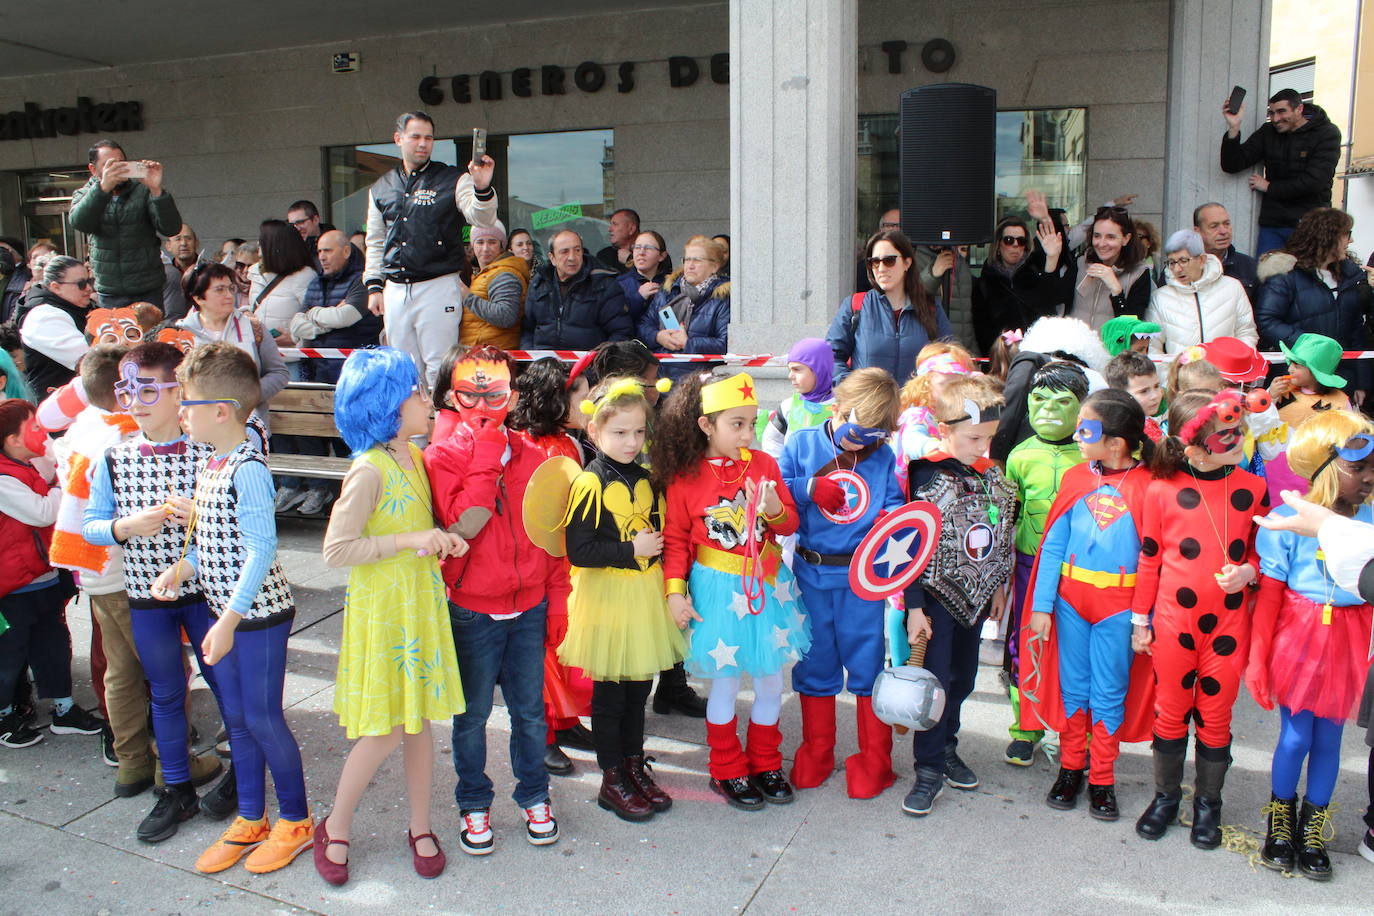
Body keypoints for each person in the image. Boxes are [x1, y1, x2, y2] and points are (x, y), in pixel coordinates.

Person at [152, 342, 313, 875]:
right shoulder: (212, 462)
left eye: (189, 401)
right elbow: (216, 541)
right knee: (238, 721)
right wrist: (184, 568)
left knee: (264, 720)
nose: (181, 412)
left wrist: (226, 619)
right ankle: (251, 817)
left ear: (221, 409)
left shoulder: (247, 468)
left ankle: (295, 820)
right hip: (232, 614)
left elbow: (261, 548)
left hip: (257, 618)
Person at [315, 348, 467, 885]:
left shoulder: (414, 458)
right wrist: (410, 539)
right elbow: (336, 550)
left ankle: (420, 825)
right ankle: (335, 825)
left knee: (420, 722)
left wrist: (439, 541)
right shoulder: (369, 468)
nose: (428, 402)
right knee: (382, 731)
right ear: (387, 404)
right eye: (417, 393)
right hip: (385, 613)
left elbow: (419, 530)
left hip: (418, 606)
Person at [424, 346, 569, 855]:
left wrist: (559, 602)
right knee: (472, 715)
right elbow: (464, 525)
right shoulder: (440, 458)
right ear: (451, 397)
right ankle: (474, 802)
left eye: (497, 392)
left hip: (528, 608)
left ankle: (534, 794)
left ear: (513, 395)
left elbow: (551, 538)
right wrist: (484, 456)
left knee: (531, 714)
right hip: (473, 611)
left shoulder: (536, 455)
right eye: (471, 392)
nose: (484, 402)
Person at [81, 343, 229, 842]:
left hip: (205, 593)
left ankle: (242, 778)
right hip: (147, 599)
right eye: (127, 389)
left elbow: (244, 519)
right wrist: (125, 525)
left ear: (178, 393)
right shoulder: (114, 457)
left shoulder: (208, 451)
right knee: (164, 693)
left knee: (226, 684)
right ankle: (177, 790)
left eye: (148, 389)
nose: (135, 400)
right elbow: (92, 526)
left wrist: (204, 515)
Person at [652, 372, 810, 810]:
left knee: (768, 681)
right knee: (723, 686)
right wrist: (674, 593)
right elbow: (679, 541)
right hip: (718, 592)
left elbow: (789, 525)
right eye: (735, 424)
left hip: (767, 588)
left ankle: (765, 762)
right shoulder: (685, 478)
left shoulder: (763, 465)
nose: (747, 433)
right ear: (706, 425)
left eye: (752, 423)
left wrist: (776, 509)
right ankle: (726, 768)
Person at [1132, 389, 1269, 848]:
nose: (1234, 443)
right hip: (1173, 623)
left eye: (1237, 434)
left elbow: (1263, 553)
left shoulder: (1253, 489)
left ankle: (1208, 804)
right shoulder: (1161, 489)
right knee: (1170, 711)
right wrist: (1139, 621)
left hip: (1227, 627)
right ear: (1190, 447)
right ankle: (1166, 797)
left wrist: (1249, 570)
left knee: (1216, 714)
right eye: (1222, 438)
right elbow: (1149, 559)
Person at [1020, 389, 1156, 821]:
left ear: (1115, 442)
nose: (1077, 435)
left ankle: (1102, 778)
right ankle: (1070, 767)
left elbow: (1154, 558)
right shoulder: (1077, 478)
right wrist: (1042, 605)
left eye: (1086, 429)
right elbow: (1053, 544)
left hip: (1120, 606)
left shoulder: (1149, 485)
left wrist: (1142, 618)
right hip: (1070, 602)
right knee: (1073, 687)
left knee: (1110, 691)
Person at [1248, 411, 1374, 880]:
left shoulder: (1371, 521)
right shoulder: (1285, 520)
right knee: (1296, 735)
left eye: (1371, 470)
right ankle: (1280, 823)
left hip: (1350, 633)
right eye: (1357, 468)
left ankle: (1312, 827)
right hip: (1299, 632)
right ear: (1323, 467)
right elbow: (1270, 596)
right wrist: (1257, 660)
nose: (1368, 479)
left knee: (1330, 738)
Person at [557, 376, 688, 820]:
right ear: (594, 431)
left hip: (644, 597)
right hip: (608, 599)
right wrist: (632, 549)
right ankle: (612, 777)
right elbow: (579, 550)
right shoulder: (590, 482)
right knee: (611, 694)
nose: (631, 442)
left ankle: (634, 764)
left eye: (638, 432)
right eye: (620, 433)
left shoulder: (649, 478)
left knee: (638, 691)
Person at [781, 368, 904, 799]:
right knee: (815, 661)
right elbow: (774, 492)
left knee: (867, 663)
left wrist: (891, 520)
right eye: (857, 431)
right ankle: (816, 751)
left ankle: (874, 759)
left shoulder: (882, 456)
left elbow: (894, 508)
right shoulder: (802, 443)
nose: (862, 443)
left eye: (874, 436)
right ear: (837, 407)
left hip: (862, 580)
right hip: (812, 575)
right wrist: (809, 487)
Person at [899, 374, 1016, 817]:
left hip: (977, 597)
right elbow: (908, 545)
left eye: (988, 438)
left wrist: (1000, 584)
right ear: (944, 428)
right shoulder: (924, 474)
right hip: (932, 601)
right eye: (972, 438)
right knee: (935, 685)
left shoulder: (989, 474)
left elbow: (998, 533)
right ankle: (927, 770)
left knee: (964, 678)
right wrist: (913, 608)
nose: (981, 448)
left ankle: (947, 747)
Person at [48, 345, 145, 779]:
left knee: (119, 669)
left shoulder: (85, 425)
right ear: (123, 388)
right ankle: (169, 762)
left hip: (90, 568)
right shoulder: (121, 439)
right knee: (158, 669)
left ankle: (131, 761)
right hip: (122, 567)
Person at [505, 356, 595, 775]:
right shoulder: (528, 445)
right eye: (582, 393)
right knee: (537, 651)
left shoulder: (567, 442)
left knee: (558, 644)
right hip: (535, 566)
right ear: (557, 399)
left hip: (560, 563)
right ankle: (539, 735)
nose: (591, 399)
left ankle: (564, 721)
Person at [363, 111, 498, 387]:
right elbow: (375, 240)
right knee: (404, 370)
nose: (423, 143)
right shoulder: (381, 186)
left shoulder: (453, 178)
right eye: (415, 137)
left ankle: (444, 431)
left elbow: (482, 219)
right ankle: (414, 432)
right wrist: (374, 286)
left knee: (440, 368)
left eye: (429, 137)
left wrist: (482, 186)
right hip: (396, 288)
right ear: (398, 139)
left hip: (437, 284)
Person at [1003, 362, 1089, 766]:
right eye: (1038, 400)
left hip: (1079, 570)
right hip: (1027, 565)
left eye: (1062, 402)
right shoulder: (1019, 455)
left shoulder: (1091, 456)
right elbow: (1007, 512)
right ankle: (1026, 727)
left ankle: (1072, 730)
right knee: (1025, 646)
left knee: (1074, 648)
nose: (1048, 411)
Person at [0, 398, 99, 750]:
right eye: (35, 428)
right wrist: (68, 486)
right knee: (9, 655)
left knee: (54, 646)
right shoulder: (2, 477)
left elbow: (50, 464)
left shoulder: (26, 462)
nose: (43, 434)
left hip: (43, 577)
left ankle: (64, 708)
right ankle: (5, 716)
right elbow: (42, 512)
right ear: (12, 440)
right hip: (13, 588)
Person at [1256, 208, 1374, 396]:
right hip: (1296, 380)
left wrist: (1361, 382)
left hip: (1340, 380)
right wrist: (1309, 347)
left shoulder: (1351, 277)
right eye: (1347, 235)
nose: (1351, 241)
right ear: (1328, 237)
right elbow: (1267, 321)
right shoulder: (1286, 275)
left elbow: (1356, 331)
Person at [1221, 89, 1343, 255]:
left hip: (1311, 225)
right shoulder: (1268, 131)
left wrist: (1269, 187)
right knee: (1268, 278)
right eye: (1271, 113)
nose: (1276, 119)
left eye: (1281, 112)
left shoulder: (1327, 133)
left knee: (1306, 279)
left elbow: (1314, 182)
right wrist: (1234, 127)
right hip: (1274, 224)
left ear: (1299, 109)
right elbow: (1232, 164)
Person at [68, 140, 182, 311]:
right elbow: (80, 223)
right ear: (93, 169)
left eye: (122, 163)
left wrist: (157, 190)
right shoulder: (85, 194)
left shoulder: (142, 190)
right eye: (110, 165)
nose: (118, 169)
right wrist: (103, 189)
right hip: (110, 289)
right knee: (115, 335)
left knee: (152, 335)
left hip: (147, 286)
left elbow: (171, 228)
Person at [828, 230, 953, 384]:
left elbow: (948, 358)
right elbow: (830, 357)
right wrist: (851, 389)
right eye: (874, 262)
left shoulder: (931, 307)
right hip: (868, 406)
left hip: (916, 405)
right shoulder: (855, 305)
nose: (881, 268)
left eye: (889, 260)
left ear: (907, 263)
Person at [990, 315, 1110, 463]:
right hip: (1082, 461)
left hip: (1029, 455)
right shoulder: (1098, 379)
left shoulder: (1030, 360)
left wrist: (996, 457)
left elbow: (1011, 409)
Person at [289, 229, 378, 385]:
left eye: (328, 251)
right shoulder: (316, 283)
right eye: (319, 251)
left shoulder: (362, 282)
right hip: (319, 373)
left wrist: (312, 314)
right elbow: (295, 326)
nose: (322, 257)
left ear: (346, 251)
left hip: (357, 376)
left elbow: (344, 317)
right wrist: (326, 324)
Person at [1145, 229, 1257, 353]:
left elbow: (1246, 333)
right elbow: (1152, 347)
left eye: (1183, 261)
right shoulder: (1160, 297)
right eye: (1171, 262)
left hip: (1224, 371)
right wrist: (1168, 372)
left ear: (1201, 260)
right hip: (1179, 371)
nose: (1177, 268)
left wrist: (1236, 367)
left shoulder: (1232, 287)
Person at [522, 229, 633, 351]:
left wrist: (600, 362)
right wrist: (531, 358)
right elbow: (527, 330)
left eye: (577, 250)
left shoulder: (603, 284)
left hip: (589, 366)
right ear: (552, 258)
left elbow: (621, 333)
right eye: (564, 252)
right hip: (544, 365)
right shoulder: (539, 283)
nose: (572, 257)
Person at [638, 236, 730, 378]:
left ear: (715, 266)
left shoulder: (723, 299)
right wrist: (657, 336)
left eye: (697, 260)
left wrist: (688, 343)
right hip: (662, 379)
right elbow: (644, 325)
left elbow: (725, 344)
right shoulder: (668, 291)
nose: (690, 265)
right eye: (687, 259)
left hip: (698, 382)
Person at [971, 217, 1066, 355]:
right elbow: (981, 330)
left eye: (1021, 241)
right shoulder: (985, 283)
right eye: (1009, 240)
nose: (1015, 245)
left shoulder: (1035, 273)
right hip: (1002, 359)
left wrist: (1052, 258)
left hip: (1036, 355)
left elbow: (1050, 304)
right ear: (998, 245)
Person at [15, 256, 96, 392]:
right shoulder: (43, 316)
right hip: (57, 406)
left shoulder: (81, 307)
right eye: (81, 284)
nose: (88, 288)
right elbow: (92, 359)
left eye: (90, 281)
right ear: (56, 287)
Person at [1066, 206, 1152, 329]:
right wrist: (1052, 258)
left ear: (1126, 239)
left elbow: (1132, 330)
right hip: (1077, 345)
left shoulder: (1139, 273)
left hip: (1112, 347)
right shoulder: (1080, 263)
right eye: (1097, 236)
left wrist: (1117, 291)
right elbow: (1055, 301)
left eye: (1110, 237)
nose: (1101, 243)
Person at [756, 338, 835, 459]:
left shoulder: (842, 406)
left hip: (831, 475)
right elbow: (772, 440)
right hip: (794, 476)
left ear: (819, 369)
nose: (790, 376)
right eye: (789, 370)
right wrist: (781, 468)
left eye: (797, 370)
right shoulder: (788, 406)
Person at [248, 219, 316, 355]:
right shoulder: (256, 272)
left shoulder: (304, 276)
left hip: (290, 357)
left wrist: (295, 339)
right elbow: (254, 307)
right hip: (259, 356)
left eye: (262, 241)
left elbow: (315, 320)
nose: (258, 246)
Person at [461, 220, 529, 350]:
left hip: (494, 359)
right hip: (482, 356)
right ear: (472, 245)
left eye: (492, 242)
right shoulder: (484, 273)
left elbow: (506, 316)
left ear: (502, 246)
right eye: (480, 242)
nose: (485, 248)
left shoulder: (504, 274)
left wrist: (467, 297)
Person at [1194, 202, 1259, 303]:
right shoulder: (1182, 266)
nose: (1223, 231)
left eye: (1226, 224)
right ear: (1197, 231)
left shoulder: (1250, 266)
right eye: (1214, 226)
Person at [1105, 349, 1164, 440]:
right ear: (1120, 395)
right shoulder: (1134, 430)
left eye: (1156, 386)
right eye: (1143, 391)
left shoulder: (1143, 422)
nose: (1155, 396)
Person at [616, 230, 671, 325]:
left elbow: (673, 322)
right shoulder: (619, 283)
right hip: (630, 339)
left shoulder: (671, 284)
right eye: (637, 247)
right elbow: (616, 321)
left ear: (662, 256)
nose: (641, 252)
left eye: (648, 248)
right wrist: (639, 297)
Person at [596, 208, 640, 273]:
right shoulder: (604, 256)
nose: (610, 229)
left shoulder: (647, 253)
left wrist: (629, 260)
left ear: (631, 229)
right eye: (610, 224)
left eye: (615, 224)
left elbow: (649, 278)